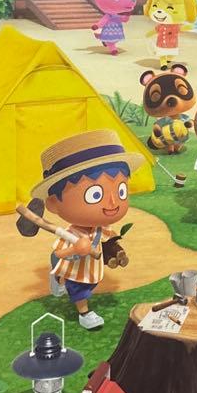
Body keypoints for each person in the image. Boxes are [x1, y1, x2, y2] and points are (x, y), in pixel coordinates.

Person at [30, 129, 144, 330]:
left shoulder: (102, 227)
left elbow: (107, 238)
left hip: (93, 268)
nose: (112, 203)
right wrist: (75, 249)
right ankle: (84, 313)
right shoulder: (72, 234)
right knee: (79, 289)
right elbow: (59, 253)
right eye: (95, 195)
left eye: (121, 191)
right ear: (54, 203)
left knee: (89, 283)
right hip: (77, 268)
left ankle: (57, 276)